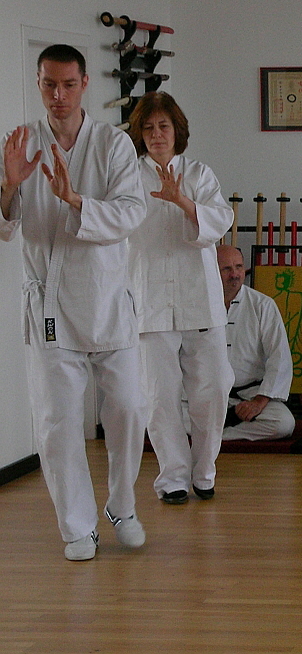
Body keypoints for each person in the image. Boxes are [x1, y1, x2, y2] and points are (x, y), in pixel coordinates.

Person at [0, 44, 147, 560]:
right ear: (38, 83)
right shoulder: (21, 145)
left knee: (129, 408)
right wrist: (7, 187)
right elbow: (5, 226)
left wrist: (75, 201)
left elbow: (131, 214)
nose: (57, 96)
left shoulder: (113, 145)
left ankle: (122, 505)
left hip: (107, 299)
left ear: (85, 83)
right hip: (50, 307)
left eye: (66, 85)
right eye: (47, 84)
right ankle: (77, 527)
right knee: (57, 421)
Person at [127, 92, 234, 505]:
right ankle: (172, 476)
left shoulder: (199, 173)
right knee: (159, 394)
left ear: (177, 131)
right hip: (149, 298)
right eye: (149, 128)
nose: (156, 135)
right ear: (140, 134)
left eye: (164, 127)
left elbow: (219, 220)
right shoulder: (129, 176)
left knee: (213, 389)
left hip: (199, 299)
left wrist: (182, 200)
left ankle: (204, 469)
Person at [217, 245, 296, 442]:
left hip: (249, 394)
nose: (234, 274)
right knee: (158, 417)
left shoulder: (262, 305)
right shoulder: (196, 305)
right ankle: (211, 431)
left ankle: (217, 436)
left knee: (283, 423)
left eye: (239, 267)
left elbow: (280, 358)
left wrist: (259, 402)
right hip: (207, 394)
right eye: (226, 269)